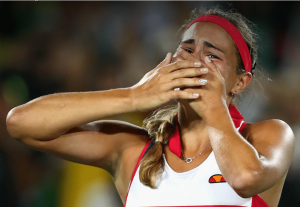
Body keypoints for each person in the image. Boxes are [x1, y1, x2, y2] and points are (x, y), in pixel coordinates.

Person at [6, 7, 294, 207]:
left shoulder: (268, 136)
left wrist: (214, 105)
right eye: (188, 49)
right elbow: (21, 122)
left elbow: (244, 178)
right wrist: (133, 96)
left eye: (212, 55)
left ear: (240, 82)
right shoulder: (134, 151)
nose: (195, 62)